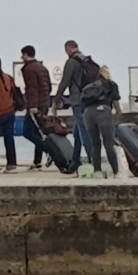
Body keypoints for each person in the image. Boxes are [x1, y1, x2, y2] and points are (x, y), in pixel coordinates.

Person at [53, 41, 92, 175]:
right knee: (77, 133)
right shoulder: (86, 59)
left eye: (66, 50)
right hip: (88, 100)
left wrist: (56, 101)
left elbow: (65, 82)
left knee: (84, 133)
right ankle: (75, 162)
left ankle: (94, 162)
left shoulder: (71, 62)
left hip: (77, 101)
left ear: (69, 48)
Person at [78, 65, 122, 179]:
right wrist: (115, 121)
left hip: (88, 114)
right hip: (103, 111)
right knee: (108, 143)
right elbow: (118, 109)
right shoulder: (111, 84)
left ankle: (97, 172)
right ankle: (116, 172)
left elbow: (82, 106)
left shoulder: (88, 87)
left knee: (95, 144)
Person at [18, 46, 53, 170]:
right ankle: (37, 161)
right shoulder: (42, 67)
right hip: (45, 103)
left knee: (27, 132)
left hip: (35, 105)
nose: (21, 57)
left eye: (22, 55)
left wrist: (32, 105)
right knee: (38, 132)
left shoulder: (29, 69)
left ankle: (49, 151)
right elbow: (49, 87)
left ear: (26, 55)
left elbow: (32, 88)